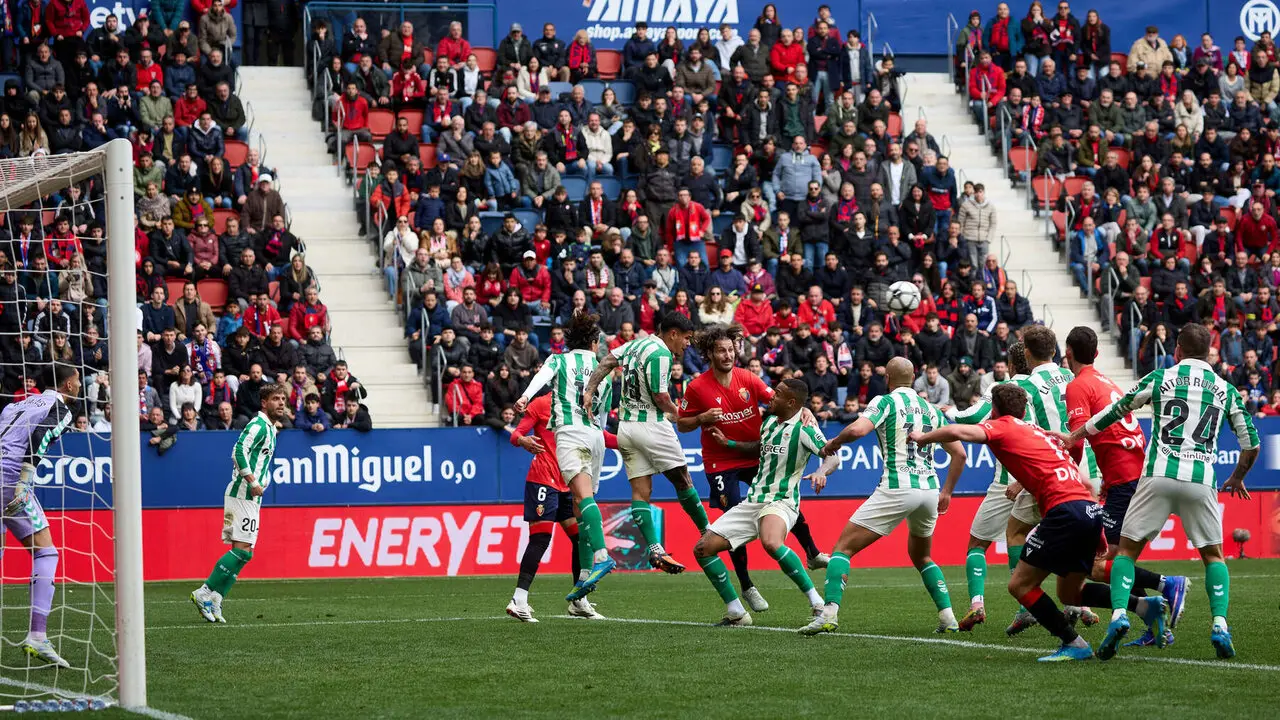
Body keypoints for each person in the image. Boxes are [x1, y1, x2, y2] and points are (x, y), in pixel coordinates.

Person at [911, 383, 1164, 662]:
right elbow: (1084, 480)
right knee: (1071, 591)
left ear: (995, 410)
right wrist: (1095, 524)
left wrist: (923, 438)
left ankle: (1075, 643)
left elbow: (958, 430)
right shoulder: (1038, 431)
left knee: (1020, 586)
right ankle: (1143, 606)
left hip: (1064, 511)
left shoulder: (1003, 426)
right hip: (1087, 508)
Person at [1066, 323, 1258, 661]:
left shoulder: (1161, 377)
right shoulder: (1226, 389)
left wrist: (1077, 434)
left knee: (1124, 553)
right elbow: (1251, 443)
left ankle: (1120, 615)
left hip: (1157, 474)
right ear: (1210, 352)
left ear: (1177, 351)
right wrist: (1238, 476)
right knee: (1213, 557)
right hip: (1200, 480)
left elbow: (1117, 410)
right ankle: (1219, 624)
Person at [800, 357, 965, 636]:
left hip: (897, 485)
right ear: (913, 378)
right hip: (929, 490)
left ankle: (828, 614)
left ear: (887, 378)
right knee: (922, 556)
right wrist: (947, 491)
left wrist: (834, 443)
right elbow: (959, 454)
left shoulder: (885, 402)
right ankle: (948, 618)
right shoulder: (932, 409)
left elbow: (857, 430)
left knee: (842, 549)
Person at [677, 325, 830, 614]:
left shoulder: (748, 378)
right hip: (719, 462)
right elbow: (682, 424)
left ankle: (811, 553)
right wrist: (701, 417)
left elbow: (784, 400)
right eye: (721, 350)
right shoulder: (697, 387)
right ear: (710, 353)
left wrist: (805, 410)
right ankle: (747, 586)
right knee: (731, 516)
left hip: (753, 453)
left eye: (731, 350)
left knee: (779, 495)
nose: (727, 355)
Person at [1063, 327, 1190, 647]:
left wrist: (1062, 473)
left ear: (1068, 352)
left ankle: (1166, 585)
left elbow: (1077, 440)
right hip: (1130, 473)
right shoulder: (1105, 381)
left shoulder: (1078, 385)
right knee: (1116, 558)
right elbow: (1127, 428)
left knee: (1098, 562)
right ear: (1097, 353)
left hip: (1125, 480)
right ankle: (1157, 621)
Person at [692, 378, 836, 626]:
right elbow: (760, 447)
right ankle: (737, 612)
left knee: (771, 541)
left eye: (777, 394)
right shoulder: (769, 422)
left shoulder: (805, 428)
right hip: (753, 501)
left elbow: (832, 456)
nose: (771, 396)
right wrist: (728, 444)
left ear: (791, 402)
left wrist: (822, 471)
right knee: (703, 550)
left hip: (781, 501)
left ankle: (818, 605)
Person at [1000, 324, 1101, 635]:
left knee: (1016, 531)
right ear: (1056, 352)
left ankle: (1027, 606)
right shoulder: (1074, 377)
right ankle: (1078, 602)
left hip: (1055, 471)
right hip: (1089, 470)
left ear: (1026, 353)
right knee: (1080, 542)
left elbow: (1026, 436)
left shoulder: (1027, 386)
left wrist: (1021, 480)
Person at [583, 312, 702, 573]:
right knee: (683, 479)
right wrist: (679, 414)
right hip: (651, 424)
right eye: (686, 338)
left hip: (626, 426)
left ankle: (655, 549)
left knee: (640, 492)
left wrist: (589, 390)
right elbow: (661, 397)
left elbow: (605, 362)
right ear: (673, 334)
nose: (688, 344)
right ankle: (708, 532)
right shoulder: (662, 354)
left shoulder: (637, 344)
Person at [513, 312, 616, 602]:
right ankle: (582, 584)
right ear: (595, 343)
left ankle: (601, 555)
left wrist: (524, 396)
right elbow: (603, 418)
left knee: (583, 501)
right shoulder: (601, 370)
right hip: (596, 437)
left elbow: (541, 377)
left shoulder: (560, 360)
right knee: (584, 512)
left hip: (571, 433)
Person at [505, 391, 613, 622]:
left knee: (579, 539)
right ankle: (519, 599)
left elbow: (600, 435)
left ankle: (579, 599)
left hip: (568, 483)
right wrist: (523, 440)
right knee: (541, 539)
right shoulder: (542, 403)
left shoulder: (579, 403)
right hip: (543, 479)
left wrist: (632, 440)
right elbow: (516, 435)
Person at [0, 365, 80, 667]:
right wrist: (23, 480)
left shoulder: (15, 404)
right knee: (46, 553)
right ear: (69, 385)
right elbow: (41, 436)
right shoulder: (61, 408)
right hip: (10, 481)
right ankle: (37, 635)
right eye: (76, 380)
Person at [191, 382, 288, 623]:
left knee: (246, 553)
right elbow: (238, 452)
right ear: (264, 403)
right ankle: (203, 592)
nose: (281, 403)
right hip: (242, 492)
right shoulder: (257, 425)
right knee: (240, 550)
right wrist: (253, 480)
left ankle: (216, 598)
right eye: (276, 399)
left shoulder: (271, 429)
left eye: (283, 399)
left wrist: (261, 482)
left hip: (252, 498)